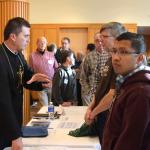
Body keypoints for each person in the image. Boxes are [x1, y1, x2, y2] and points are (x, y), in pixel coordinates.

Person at [0, 17, 51, 150]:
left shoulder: (18, 55)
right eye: (26, 36)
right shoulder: (1, 58)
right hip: (3, 122)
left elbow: (26, 79)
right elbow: (3, 101)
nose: (29, 40)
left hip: (15, 119)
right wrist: (15, 135)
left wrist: (40, 83)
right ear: (13, 36)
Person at [102, 32, 150, 150]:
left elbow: (131, 141)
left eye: (123, 52)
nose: (115, 57)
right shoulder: (127, 83)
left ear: (139, 58)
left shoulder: (140, 92)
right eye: (114, 51)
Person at [84, 22, 127, 142]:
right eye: (100, 36)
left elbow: (113, 94)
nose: (101, 39)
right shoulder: (110, 59)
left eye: (105, 36)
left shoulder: (120, 62)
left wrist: (92, 113)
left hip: (110, 117)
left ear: (117, 38)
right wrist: (91, 108)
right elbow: (101, 88)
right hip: (101, 115)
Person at [80, 32, 110, 105]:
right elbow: (83, 77)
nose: (99, 43)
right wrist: (88, 91)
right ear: (94, 42)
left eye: (101, 40)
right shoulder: (89, 57)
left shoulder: (110, 56)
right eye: (97, 41)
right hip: (91, 95)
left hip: (106, 94)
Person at [29, 37, 58, 106]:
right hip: (40, 86)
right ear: (37, 43)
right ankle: (46, 116)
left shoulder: (51, 55)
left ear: (46, 44)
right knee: (44, 107)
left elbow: (56, 68)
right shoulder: (32, 56)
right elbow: (30, 71)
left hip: (51, 85)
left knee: (51, 106)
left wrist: (54, 82)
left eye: (44, 42)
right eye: (40, 42)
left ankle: (50, 117)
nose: (42, 44)